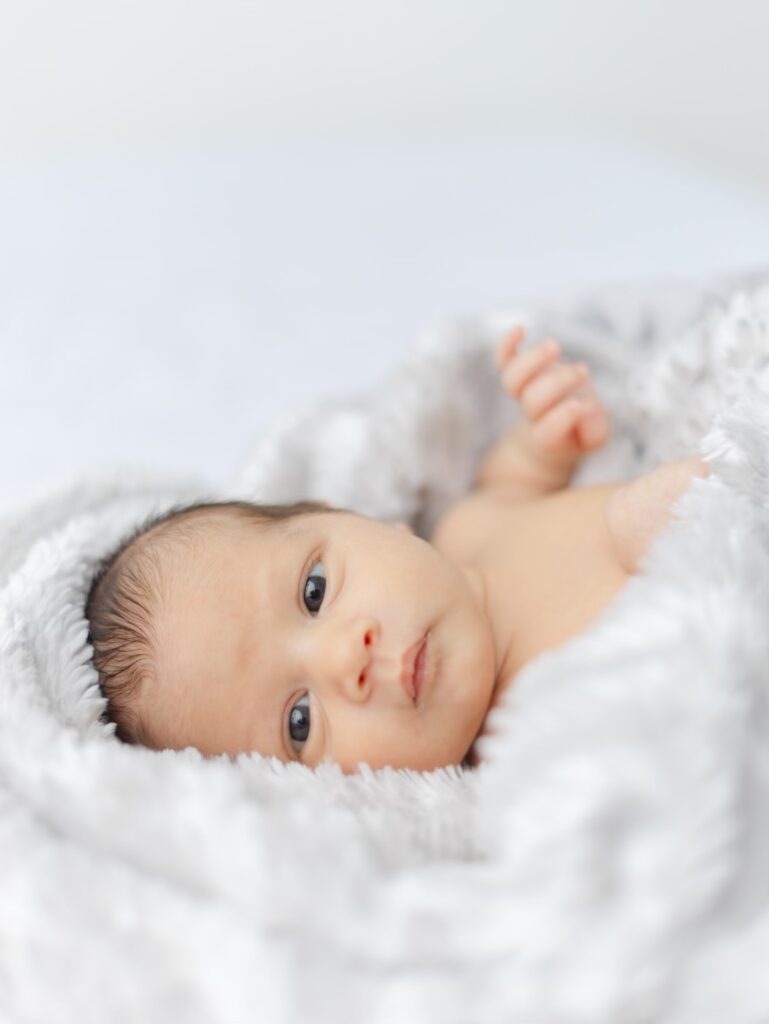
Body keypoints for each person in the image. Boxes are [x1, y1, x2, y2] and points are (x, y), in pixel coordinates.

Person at [85, 327, 709, 773]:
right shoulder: (516, 742)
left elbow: (514, 482)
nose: (343, 659)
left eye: (314, 591)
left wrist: (546, 441)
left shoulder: (469, 526)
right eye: (300, 721)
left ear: (361, 520)